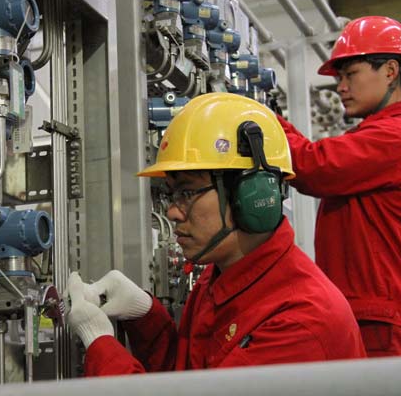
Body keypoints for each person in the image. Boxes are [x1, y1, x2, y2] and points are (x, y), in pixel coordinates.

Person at [66, 92, 365, 377]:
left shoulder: (299, 321)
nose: (172, 211)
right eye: (171, 196)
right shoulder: (219, 276)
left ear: (251, 194)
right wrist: (146, 317)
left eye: (187, 192)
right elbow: (190, 377)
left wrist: (100, 344)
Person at [276, 16, 401, 357]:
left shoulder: (396, 136)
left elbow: (312, 165)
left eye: (350, 75)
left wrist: (260, 119)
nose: (341, 87)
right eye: (339, 78)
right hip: (370, 314)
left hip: (383, 322)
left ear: (391, 71)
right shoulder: (379, 133)